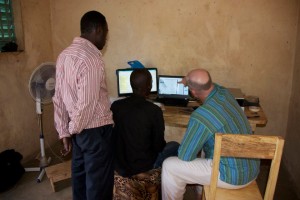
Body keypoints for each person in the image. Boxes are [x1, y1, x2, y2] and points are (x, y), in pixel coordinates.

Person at [161, 69, 260, 200]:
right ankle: (200, 194)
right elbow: (205, 83)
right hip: (251, 167)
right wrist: (188, 80)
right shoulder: (224, 92)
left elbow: (185, 156)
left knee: (170, 166)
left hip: (232, 175)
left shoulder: (202, 116)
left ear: (193, 92)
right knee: (205, 143)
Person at [53, 11, 114, 200]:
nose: (106, 38)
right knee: (99, 185)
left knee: (79, 178)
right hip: (94, 131)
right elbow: (87, 104)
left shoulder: (64, 55)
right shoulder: (92, 59)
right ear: (97, 30)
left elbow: (59, 97)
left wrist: (65, 131)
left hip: (78, 130)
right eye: (105, 32)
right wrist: (73, 129)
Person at [111, 68, 179, 177]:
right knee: (175, 146)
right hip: (143, 165)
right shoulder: (154, 110)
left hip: (120, 165)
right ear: (149, 86)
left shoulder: (116, 106)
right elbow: (158, 146)